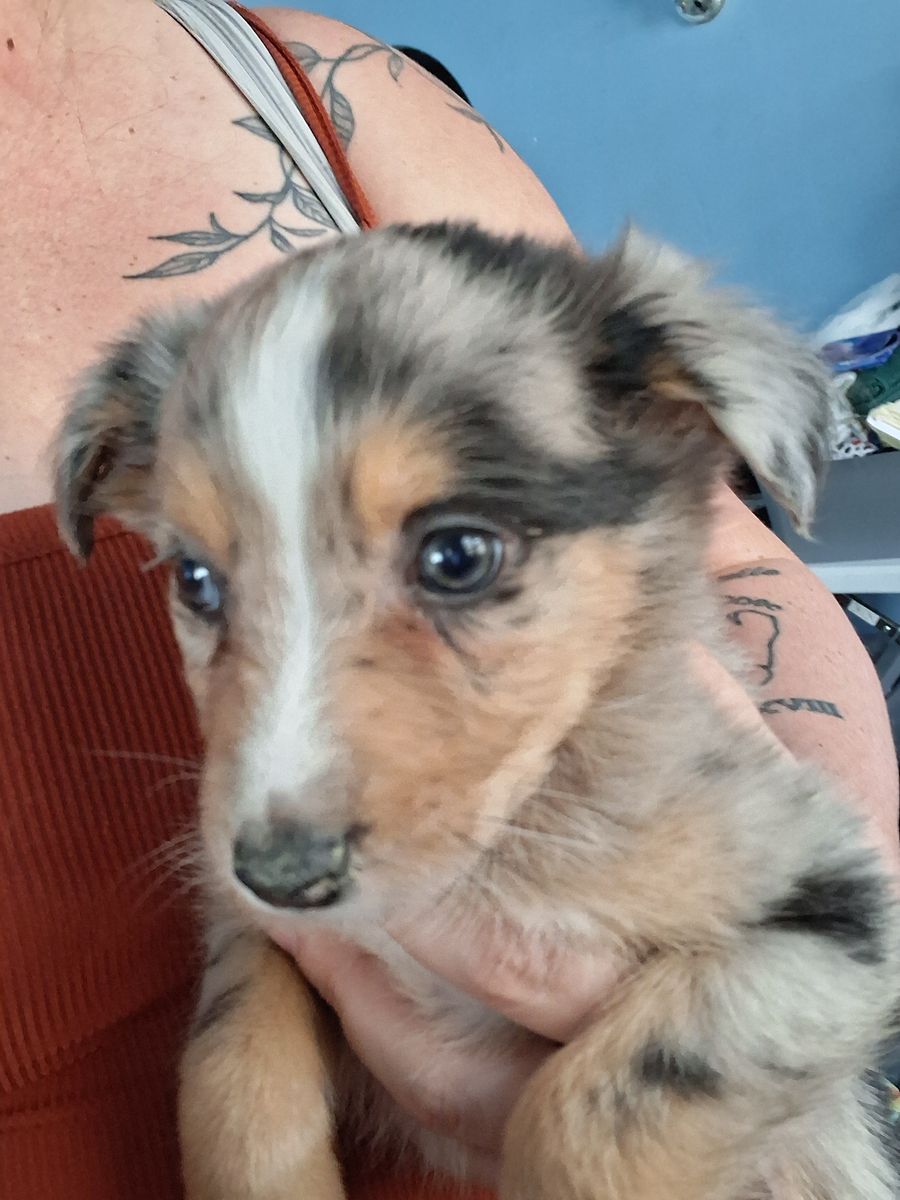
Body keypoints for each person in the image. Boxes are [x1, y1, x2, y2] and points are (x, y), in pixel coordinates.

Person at [1, 2, 897, 1197]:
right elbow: (272, 931)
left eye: (455, 561)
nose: (283, 785)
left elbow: (841, 920)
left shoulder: (331, 89)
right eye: (206, 583)